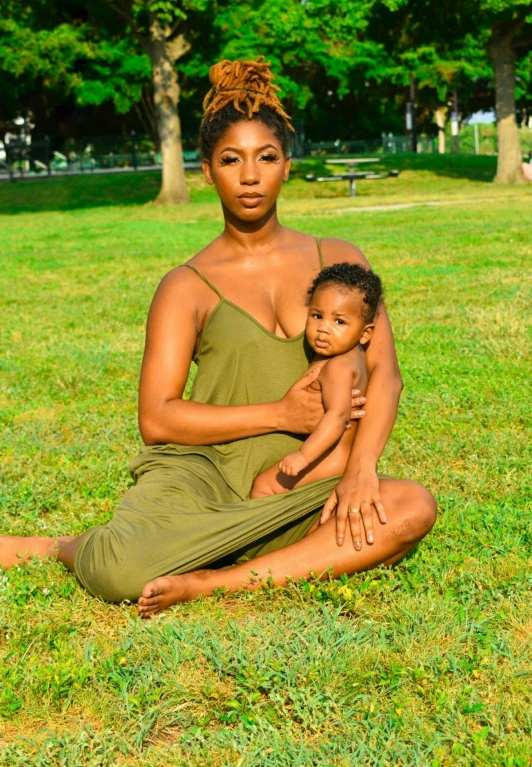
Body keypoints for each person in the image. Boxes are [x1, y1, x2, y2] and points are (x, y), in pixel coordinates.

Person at [0, 57, 437, 618]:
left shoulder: (341, 259)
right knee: (119, 570)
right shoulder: (185, 286)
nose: (249, 176)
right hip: (202, 474)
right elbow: (158, 419)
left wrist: (359, 471)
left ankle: (212, 581)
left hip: (301, 480)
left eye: (266, 158)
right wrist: (280, 412)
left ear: (287, 166)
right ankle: (61, 548)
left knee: (410, 507)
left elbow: (387, 378)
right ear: (208, 170)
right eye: (232, 160)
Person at [251, 262, 382, 498]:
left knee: (264, 487)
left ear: (365, 333)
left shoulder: (338, 366)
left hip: (330, 456)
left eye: (339, 322)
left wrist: (304, 455)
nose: (324, 328)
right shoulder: (352, 355)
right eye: (317, 316)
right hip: (332, 453)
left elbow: (338, 416)